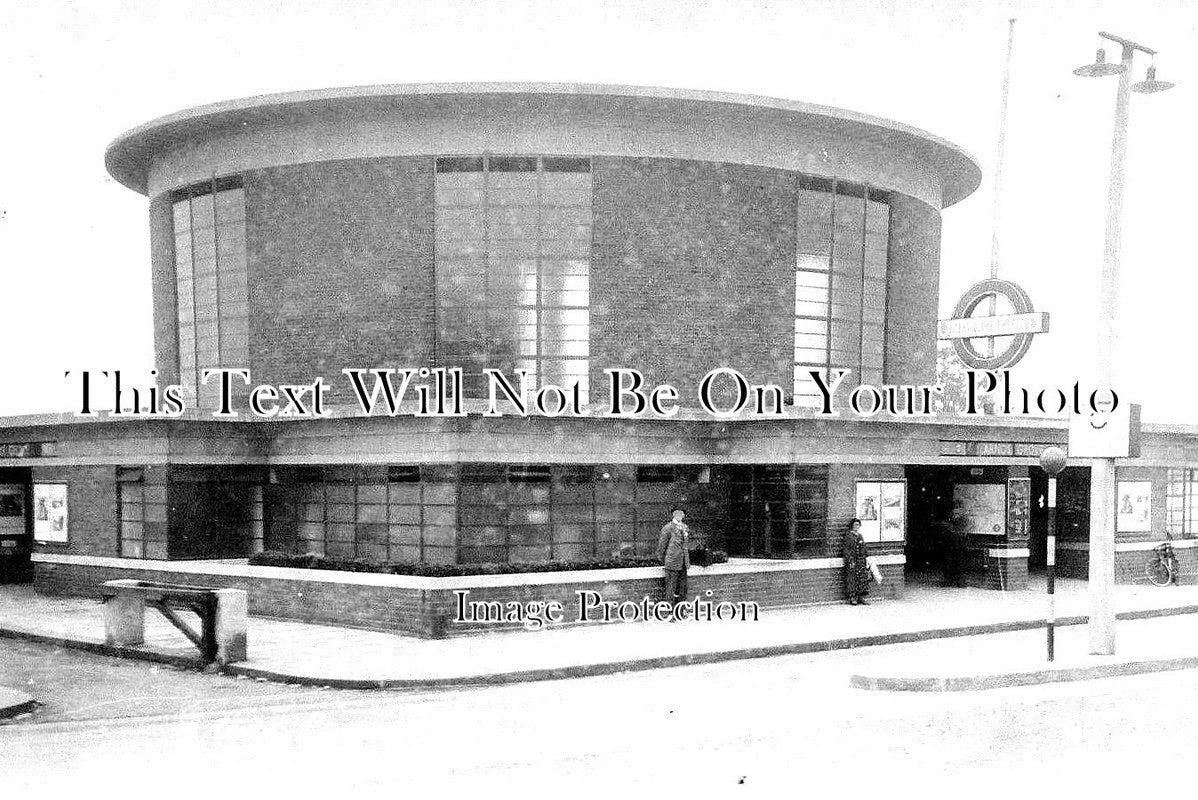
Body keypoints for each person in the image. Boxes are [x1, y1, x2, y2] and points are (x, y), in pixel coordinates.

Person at [657, 507, 691, 615]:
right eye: (676, 513)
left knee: (682, 588)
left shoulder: (685, 527)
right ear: (673, 515)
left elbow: (685, 545)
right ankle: (669, 612)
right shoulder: (667, 528)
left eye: (681, 513)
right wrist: (665, 561)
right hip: (672, 562)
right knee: (671, 589)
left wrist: (687, 561)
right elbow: (662, 546)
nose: (679, 515)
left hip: (683, 563)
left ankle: (681, 611)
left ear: (684, 515)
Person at [842, 518, 871, 605]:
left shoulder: (860, 535)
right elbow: (846, 549)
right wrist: (850, 560)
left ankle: (861, 597)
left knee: (862, 579)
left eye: (858, 525)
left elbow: (864, 547)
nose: (857, 527)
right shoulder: (848, 536)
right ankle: (853, 597)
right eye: (855, 525)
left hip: (861, 561)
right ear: (852, 526)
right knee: (852, 579)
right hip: (853, 561)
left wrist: (867, 558)